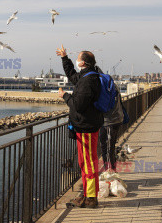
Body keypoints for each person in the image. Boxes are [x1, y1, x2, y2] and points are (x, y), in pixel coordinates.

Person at [56, 45, 103, 208]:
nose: (76, 62)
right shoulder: (88, 75)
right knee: (85, 162)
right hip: (86, 126)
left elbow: (78, 105)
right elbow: (72, 76)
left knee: (88, 163)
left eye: (77, 59)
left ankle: (91, 197)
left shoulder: (88, 81)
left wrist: (65, 96)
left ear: (83, 63)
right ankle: (87, 195)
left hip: (86, 127)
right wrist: (64, 58)